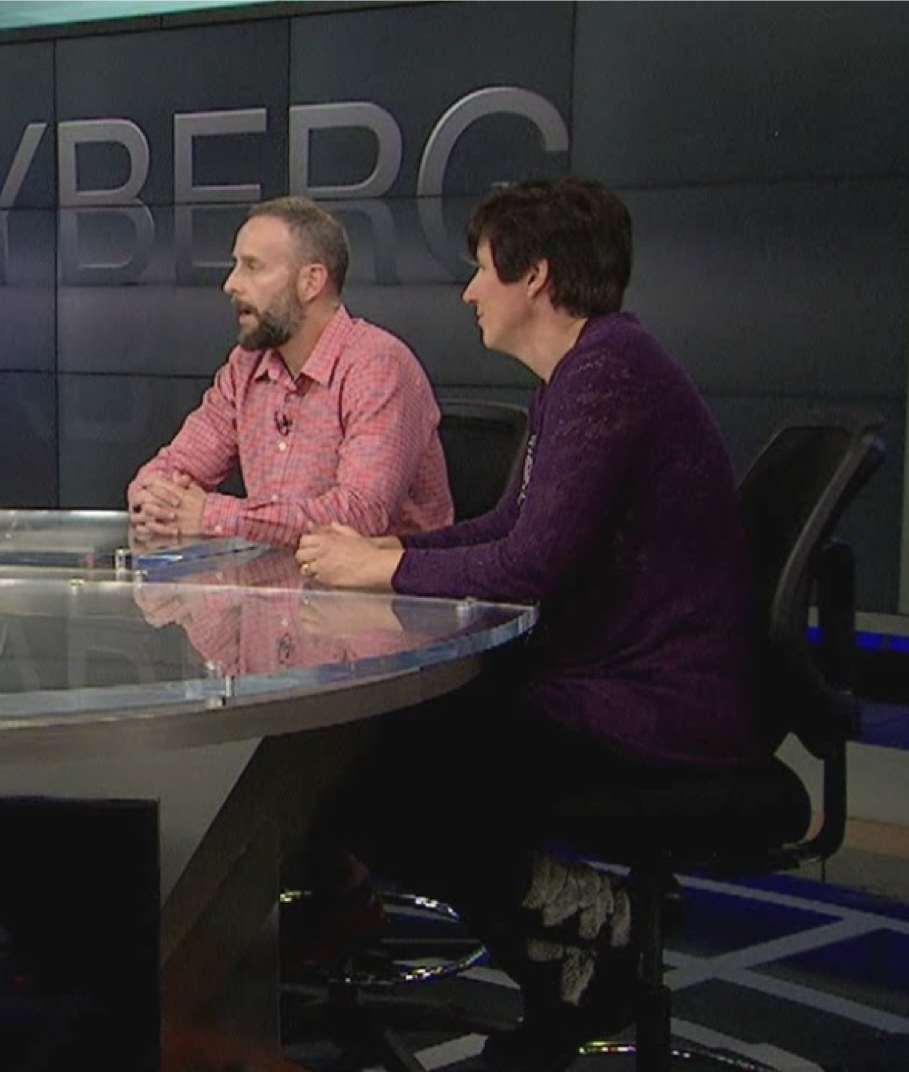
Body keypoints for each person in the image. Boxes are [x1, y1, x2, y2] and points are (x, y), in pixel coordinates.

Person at [292, 177, 760, 1070]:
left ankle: (606, 922)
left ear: (535, 276)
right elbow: (508, 526)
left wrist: (386, 565)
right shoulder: (583, 371)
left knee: (378, 771)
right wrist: (385, 545)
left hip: (658, 705)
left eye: (480, 271)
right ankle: (568, 972)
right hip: (616, 679)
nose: (470, 292)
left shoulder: (608, 374)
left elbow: (532, 566)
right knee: (379, 747)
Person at [127, 195, 452, 547]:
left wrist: (213, 516)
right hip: (275, 587)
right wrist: (155, 498)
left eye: (252, 266)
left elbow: (358, 516)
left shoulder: (377, 368)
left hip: (383, 594)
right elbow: (170, 470)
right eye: (236, 265)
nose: (231, 284)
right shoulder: (245, 367)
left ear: (311, 282)